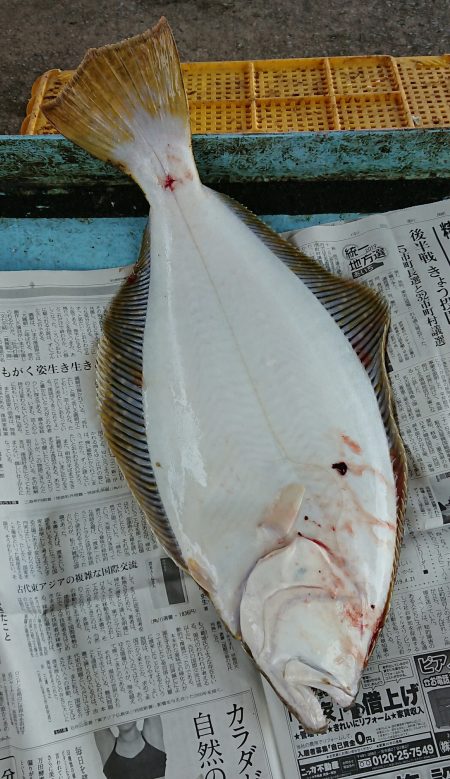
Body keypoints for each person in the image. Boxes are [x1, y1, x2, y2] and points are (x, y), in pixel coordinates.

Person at [95, 716, 167, 779]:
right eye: (119, 714)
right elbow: (95, 713)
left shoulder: (153, 739)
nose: (123, 718)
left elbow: (152, 702)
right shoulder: (108, 748)